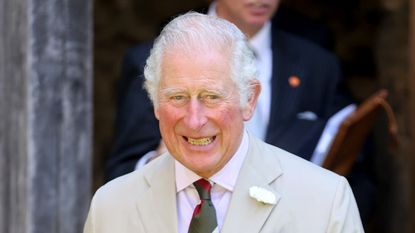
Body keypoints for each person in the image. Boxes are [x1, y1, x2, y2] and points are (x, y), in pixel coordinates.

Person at [85, 12, 364, 232]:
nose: (194, 120)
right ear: (155, 102)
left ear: (249, 99)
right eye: (178, 97)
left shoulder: (325, 200)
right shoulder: (110, 206)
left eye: (212, 96)